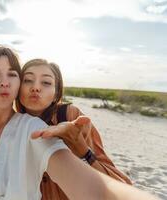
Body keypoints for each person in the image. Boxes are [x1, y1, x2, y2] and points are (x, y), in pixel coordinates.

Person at [0, 45, 157, 200]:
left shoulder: (36, 130)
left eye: (12, 74)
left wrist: (81, 151)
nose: (4, 81)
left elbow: (99, 190)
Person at [15, 59, 132, 199]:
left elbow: (120, 185)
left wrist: (80, 147)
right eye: (28, 80)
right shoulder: (11, 125)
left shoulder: (71, 117)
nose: (36, 87)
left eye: (46, 82)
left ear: (56, 95)